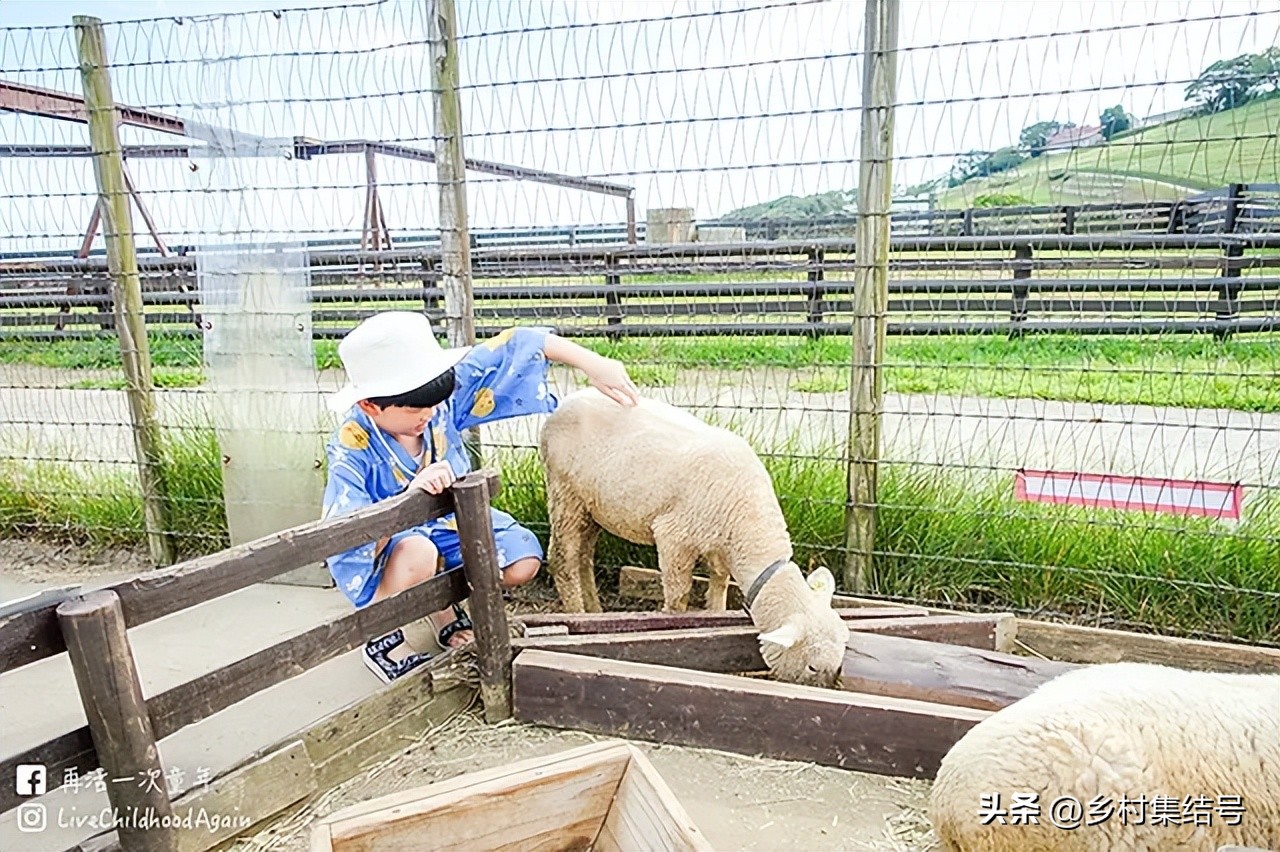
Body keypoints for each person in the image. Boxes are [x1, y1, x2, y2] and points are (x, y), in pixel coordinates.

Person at [321, 311, 639, 683]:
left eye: (433, 403)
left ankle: (442, 606)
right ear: (370, 405)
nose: (427, 415)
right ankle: (379, 632)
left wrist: (593, 362)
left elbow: (513, 346)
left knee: (520, 558)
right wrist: (410, 497)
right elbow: (347, 532)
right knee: (420, 553)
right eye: (413, 409)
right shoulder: (351, 447)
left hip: (445, 523)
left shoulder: (436, 407)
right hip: (394, 547)